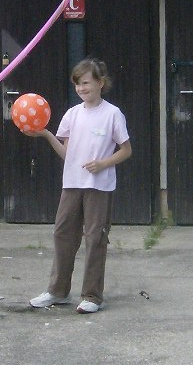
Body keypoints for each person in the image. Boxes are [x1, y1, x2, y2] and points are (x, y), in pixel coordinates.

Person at [19, 57, 132, 314]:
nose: (81, 89)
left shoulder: (113, 114)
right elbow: (67, 153)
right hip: (72, 184)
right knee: (63, 234)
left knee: (95, 238)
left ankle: (92, 295)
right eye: (78, 84)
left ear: (100, 83)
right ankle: (58, 291)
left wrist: (103, 163)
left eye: (86, 83)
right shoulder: (72, 114)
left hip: (99, 186)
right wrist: (46, 134)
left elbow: (126, 150)